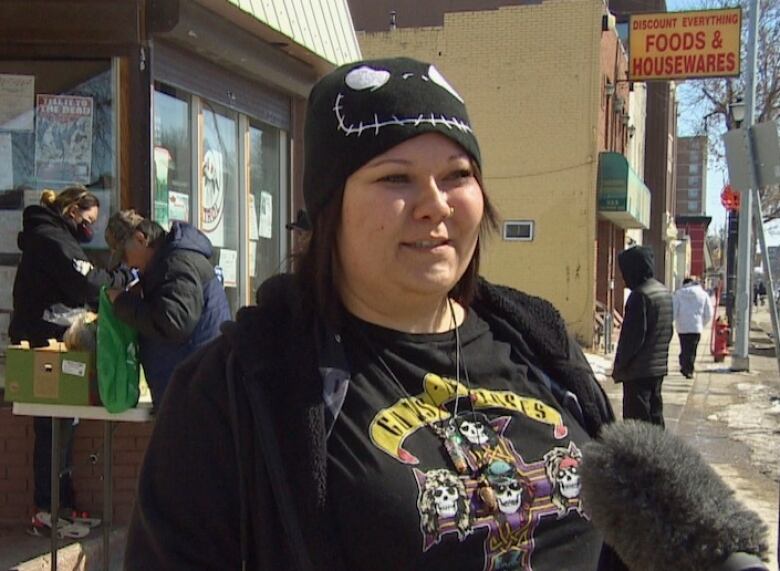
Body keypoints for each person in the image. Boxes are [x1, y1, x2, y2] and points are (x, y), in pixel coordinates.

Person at [125, 57, 623, 570]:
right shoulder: (240, 387)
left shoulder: (538, 345)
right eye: (395, 178)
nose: (435, 205)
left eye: (457, 175)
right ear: (330, 208)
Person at [9, 186, 134, 534]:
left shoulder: (57, 237)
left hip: (53, 344)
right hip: (43, 346)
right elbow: (86, 283)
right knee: (53, 427)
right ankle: (47, 510)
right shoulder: (51, 239)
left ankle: (61, 504)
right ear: (72, 211)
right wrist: (121, 278)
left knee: (66, 425)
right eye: (88, 220)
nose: (90, 228)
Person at [104, 212, 231, 407]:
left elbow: (174, 322)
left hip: (194, 393)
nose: (127, 264)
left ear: (141, 239)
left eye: (125, 255)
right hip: (193, 388)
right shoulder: (171, 261)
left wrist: (124, 302)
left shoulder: (175, 263)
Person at [612, 246, 673, 427]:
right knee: (655, 418)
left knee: (637, 425)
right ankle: (660, 453)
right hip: (658, 368)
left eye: (625, 272)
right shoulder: (663, 292)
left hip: (638, 372)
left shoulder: (640, 296)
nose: (623, 278)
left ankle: (640, 456)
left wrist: (620, 366)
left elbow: (631, 340)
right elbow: (668, 331)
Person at [673, 277, 713, 379]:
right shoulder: (703, 294)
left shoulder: (679, 294)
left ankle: (684, 364)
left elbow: (674, 310)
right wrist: (702, 323)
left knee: (684, 347)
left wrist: (674, 321)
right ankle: (689, 369)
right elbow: (709, 313)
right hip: (696, 327)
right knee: (692, 349)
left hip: (682, 327)